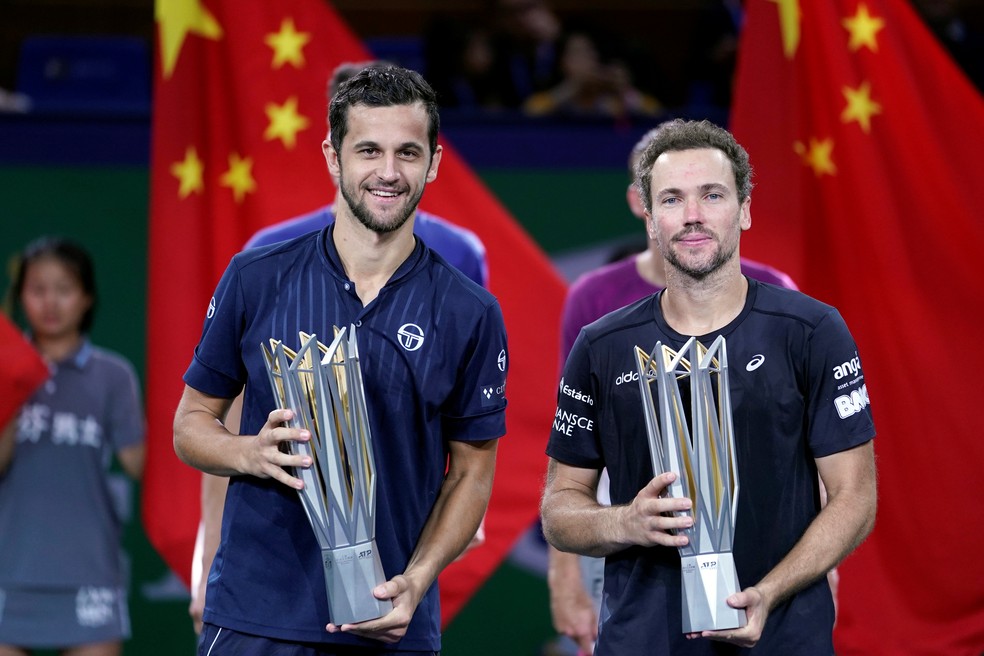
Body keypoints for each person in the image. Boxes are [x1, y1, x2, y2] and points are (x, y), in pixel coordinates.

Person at [173, 64, 508, 654]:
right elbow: (190, 424)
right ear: (334, 156)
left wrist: (420, 578)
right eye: (368, 150)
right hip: (255, 617)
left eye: (408, 153)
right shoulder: (255, 277)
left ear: (433, 162)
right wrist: (245, 451)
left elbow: (474, 472)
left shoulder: (469, 310)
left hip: (389, 622)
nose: (388, 172)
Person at [539, 119, 877, 654]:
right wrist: (626, 520)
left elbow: (854, 495)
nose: (692, 216)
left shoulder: (812, 331)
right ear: (649, 219)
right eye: (672, 199)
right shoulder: (600, 345)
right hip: (644, 639)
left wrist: (770, 592)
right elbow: (559, 510)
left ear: (743, 209)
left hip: (782, 635)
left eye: (712, 195)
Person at [0, 237, 145, 656]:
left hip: (89, 570)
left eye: (64, 289)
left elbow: (139, 464)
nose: (50, 302)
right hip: (11, 570)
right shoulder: (5, 368)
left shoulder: (113, 375)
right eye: (38, 290)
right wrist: (14, 383)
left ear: (86, 298)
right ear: (20, 295)